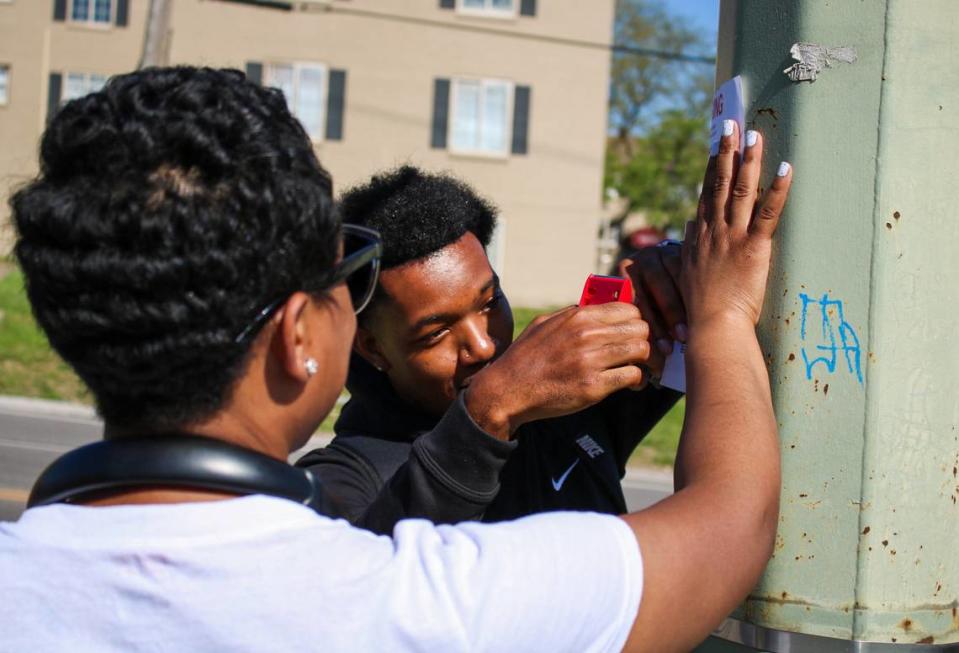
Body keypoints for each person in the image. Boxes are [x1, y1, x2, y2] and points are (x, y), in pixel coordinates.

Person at [0, 65, 791, 653]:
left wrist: (673, 306)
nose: (482, 346)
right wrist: (722, 314)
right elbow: (732, 521)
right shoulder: (412, 598)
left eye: (488, 303)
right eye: (344, 280)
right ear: (303, 337)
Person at [297, 165, 687, 534]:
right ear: (373, 348)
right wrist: (490, 411)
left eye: (489, 302)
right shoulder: (343, 479)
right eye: (436, 334)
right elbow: (366, 586)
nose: (483, 346)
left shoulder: (567, 399)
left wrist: (670, 277)